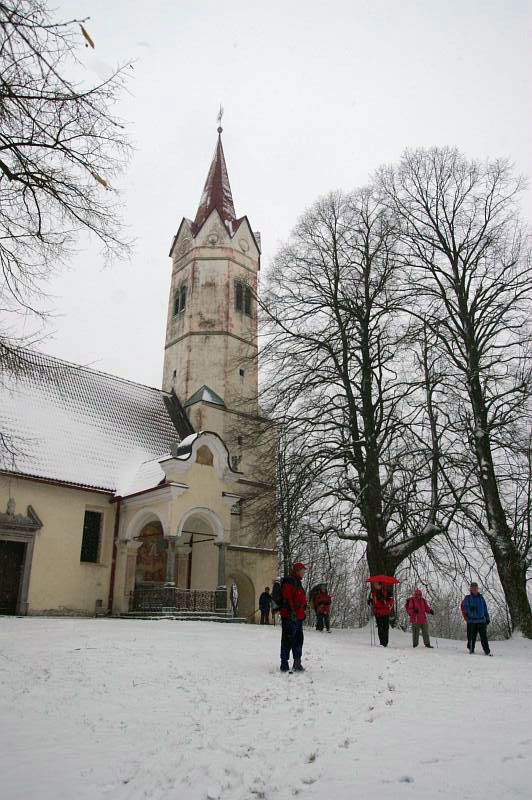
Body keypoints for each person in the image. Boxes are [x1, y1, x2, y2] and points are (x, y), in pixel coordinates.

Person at [279, 562, 307, 672]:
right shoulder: (289, 582)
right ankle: (284, 663)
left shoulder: (298, 583)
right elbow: (287, 598)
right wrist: (292, 612)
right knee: (287, 640)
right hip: (290, 617)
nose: (304, 572)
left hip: (298, 617)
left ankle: (297, 662)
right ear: (297, 570)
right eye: (303, 570)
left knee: (298, 640)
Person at [462, 582, 492, 656]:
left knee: (484, 637)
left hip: (481, 621)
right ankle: (471, 649)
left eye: (475, 588)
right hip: (471, 621)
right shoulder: (467, 598)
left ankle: (487, 651)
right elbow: (464, 608)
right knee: (471, 637)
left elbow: (485, 608)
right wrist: (469, 609)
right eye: (473, 588)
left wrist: (487, 617)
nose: (474, 590)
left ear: (477, 589)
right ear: (470, 589)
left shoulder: (481, 598)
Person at [368, 581, 394, 647]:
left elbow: (391, 601)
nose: (375, 586)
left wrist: (385, 602)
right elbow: (373, 601)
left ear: (380, 585)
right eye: (374, 584)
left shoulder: (386, 592)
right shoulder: (373, 592)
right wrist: (370, 601)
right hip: (378, 612)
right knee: (380, 627)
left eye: (376, 584)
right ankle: (382, 642)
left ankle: (385, 642)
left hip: (385, 612)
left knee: (385, 627)